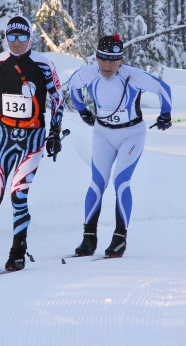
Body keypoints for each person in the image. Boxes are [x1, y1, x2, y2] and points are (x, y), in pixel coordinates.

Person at [0, 15, 64, 271]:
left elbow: (58, 99)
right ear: (6, 37)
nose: (17, 42)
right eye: (12, 37)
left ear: (30, 38)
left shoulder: (44, 64)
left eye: (22, 37)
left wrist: (55, 132)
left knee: (18, 193)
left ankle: (17, 252)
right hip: (2, 137)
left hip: (32, 139)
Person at [67, 34, 172, 258]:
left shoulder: (133, 76)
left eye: (112, 61)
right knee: (97, 183)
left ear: (121, 61)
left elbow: (163, 89)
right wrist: (83, 111)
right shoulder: (88, 74)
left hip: (131, 135)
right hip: (103, 134)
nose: (107, 66)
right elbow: (73, 88)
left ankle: (119, 238)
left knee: (121, 182)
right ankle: (88, 238)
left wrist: (166, 115)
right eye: (103, 60)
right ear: (96, 58)